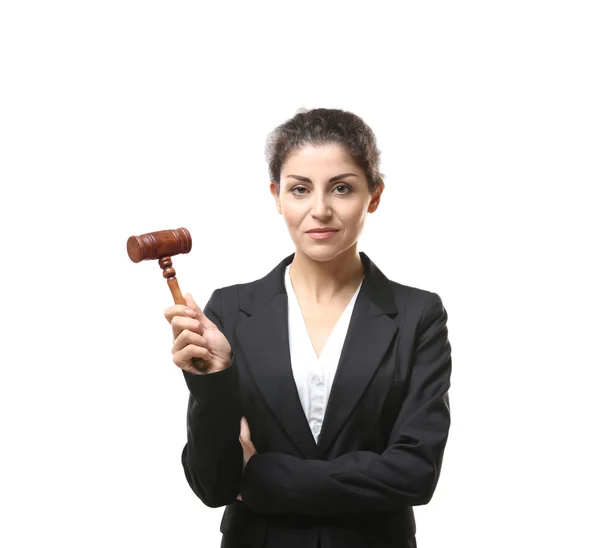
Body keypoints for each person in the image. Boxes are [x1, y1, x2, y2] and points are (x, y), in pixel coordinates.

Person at [164, 107, 452, 548]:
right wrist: (213, 383)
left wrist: (262, 476)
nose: (320, 210)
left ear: (373, 196)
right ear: (277, 196)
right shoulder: (231, 309)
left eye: (341, 188)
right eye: (300, 189)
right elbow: (213, 486)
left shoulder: (418, 315)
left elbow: (416, 474)